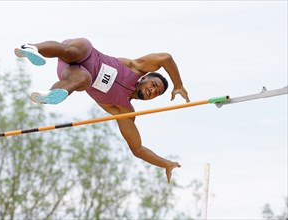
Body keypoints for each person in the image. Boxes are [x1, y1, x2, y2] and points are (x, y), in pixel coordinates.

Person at [14, 37, 190, 183]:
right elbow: (166, 58)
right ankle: (31, 48)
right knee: (72, 52)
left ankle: (51, 94)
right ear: (145, 76)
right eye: (153, 85)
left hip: (73, 73)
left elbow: (137, 149)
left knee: (84, 80)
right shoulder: (134, 67)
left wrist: (165, 163)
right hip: (86, 52)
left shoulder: (124, 110)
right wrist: (179, 85)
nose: (152, 90)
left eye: (156, 93)